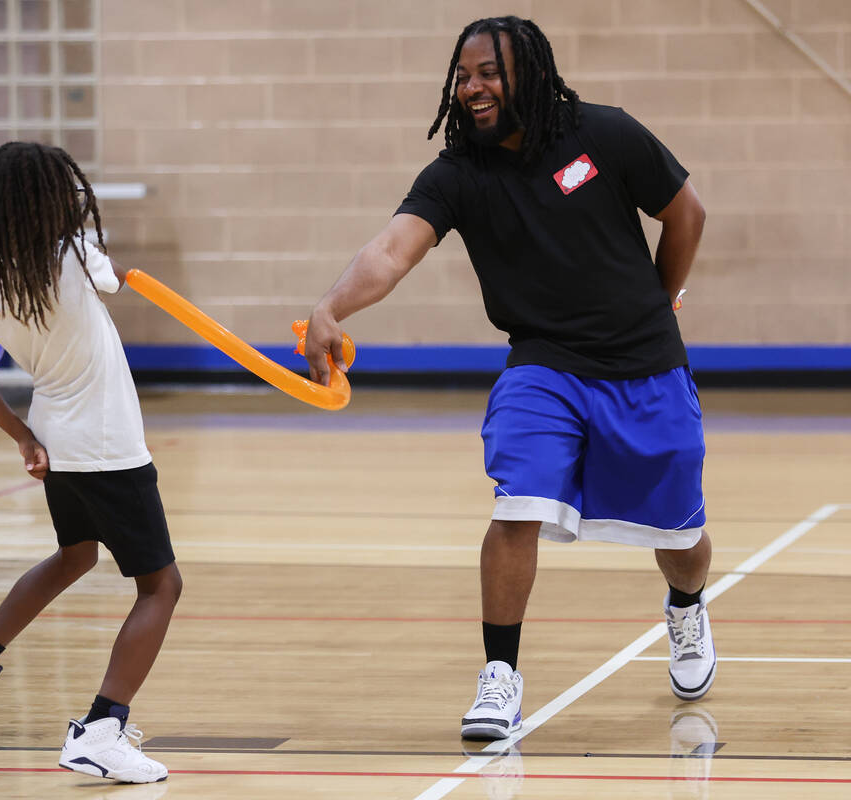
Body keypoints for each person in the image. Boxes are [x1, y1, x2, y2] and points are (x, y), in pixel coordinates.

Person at [304, 16, 714, 740]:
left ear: (527, 71)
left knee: (680, 537)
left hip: (645, 362)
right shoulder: (458, 175)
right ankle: (501, 674)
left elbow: (685, 214)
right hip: (543, 365)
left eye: (487, 73)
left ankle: (685, 609)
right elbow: (393, 250)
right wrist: (331, 306)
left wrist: (658, 297)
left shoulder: (605, 134)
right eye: (462, 77)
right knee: (516, 505)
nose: (472, 88)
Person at [0, 141, 180, 783]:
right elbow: (111, 278)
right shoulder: (76, 255)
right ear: (47, 200)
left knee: (77, 555)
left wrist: (21, 434)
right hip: (108, 447)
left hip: (58, 442)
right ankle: (102, 727)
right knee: (161, 586)